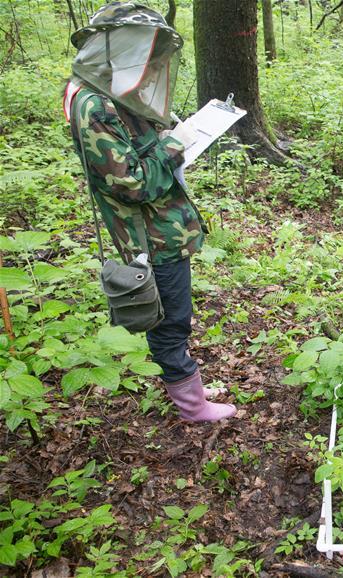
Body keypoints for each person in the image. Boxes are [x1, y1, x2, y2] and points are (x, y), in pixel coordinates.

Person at [65, 2, 235, 422]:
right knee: (170, 318)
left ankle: (187, 380)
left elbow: (136, 149)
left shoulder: (111, 93)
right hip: (149, 234)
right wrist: (177, 142)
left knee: (175, 315)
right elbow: (132, 183)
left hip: (163, 227)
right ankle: (192, 405)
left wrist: (167, 136)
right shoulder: (93, 104)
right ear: (115, 47)